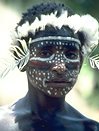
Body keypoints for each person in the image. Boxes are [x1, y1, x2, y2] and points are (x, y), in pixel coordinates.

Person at [0, 2, 99, 131]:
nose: (60, 66)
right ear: (21, 60)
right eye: (45, 53)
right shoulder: (2, 124)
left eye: (70, 54)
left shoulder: (90, 128)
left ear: (80, 62)